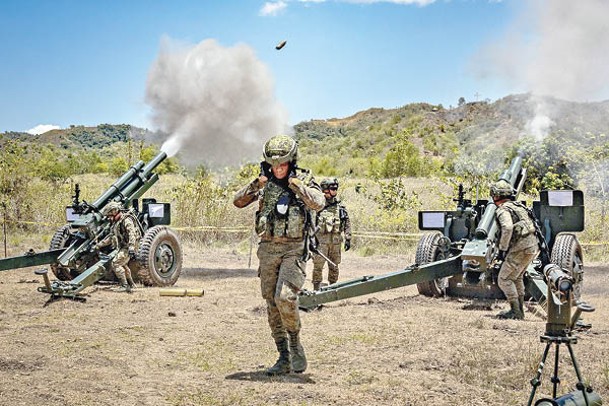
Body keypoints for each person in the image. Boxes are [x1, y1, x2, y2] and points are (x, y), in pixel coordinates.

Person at [233, 134, 325, 376]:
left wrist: (297, 185)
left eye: (282, 164)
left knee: (285, 297)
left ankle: (295, 343)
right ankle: (283, 355)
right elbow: (238, 201)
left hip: (293, 249)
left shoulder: (303, 179)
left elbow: (319, 202)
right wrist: (256, 184)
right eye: (273, 164)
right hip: (268, 249)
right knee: (272, 302)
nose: (278, 168)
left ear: (291, 162)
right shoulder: (265, 183)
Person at [491, 180, 539, 320]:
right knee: (516, 277)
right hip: (531, 247)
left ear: (495, 195)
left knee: (504, 279)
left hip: (520, 248)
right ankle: (520, 311)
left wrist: (502, 249)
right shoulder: (518, 206)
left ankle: (515, 311)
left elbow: (507, 227)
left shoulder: (503, 209)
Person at [311, 178, 352, 291]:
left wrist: (348, 238)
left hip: (335, 243)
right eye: (332, 188)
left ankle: (333, 288)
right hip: (321, 244)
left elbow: (347, 223)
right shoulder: (317, 207)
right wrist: (310, 241)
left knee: (334, 266)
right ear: (325, 190)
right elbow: (309, 224)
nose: (335, 191)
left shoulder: (340, 207)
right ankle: (316, 290)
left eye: (335, 188)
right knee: (318, 267)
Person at [96, 201, 141, 293]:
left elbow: (132, 234)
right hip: (124, 246)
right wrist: (98, 245)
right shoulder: (116, 223)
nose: (108, 217)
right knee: (123, 264)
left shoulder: (126, 220)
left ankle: (124, 285)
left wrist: (132, 248)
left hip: (129, 246)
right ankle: (131, 284)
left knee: (116, 263)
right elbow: (110, 237)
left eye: (109, 215)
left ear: (114, 211)